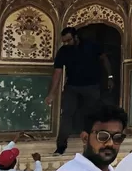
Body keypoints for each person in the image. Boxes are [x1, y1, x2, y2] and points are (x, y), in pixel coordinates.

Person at [46, 27, 113, 156]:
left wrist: (110, 77)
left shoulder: (91, 46)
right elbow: (58, 72)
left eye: (69, 40)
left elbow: (104, 59)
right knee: (67, 114)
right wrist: (52, 93)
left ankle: (92, 145)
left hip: (92, 86)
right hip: (72, 86)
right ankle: (61, 146)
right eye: (64, 41)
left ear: (76, 37)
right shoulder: (63, 51)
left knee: (92, 114)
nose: (67, 43)